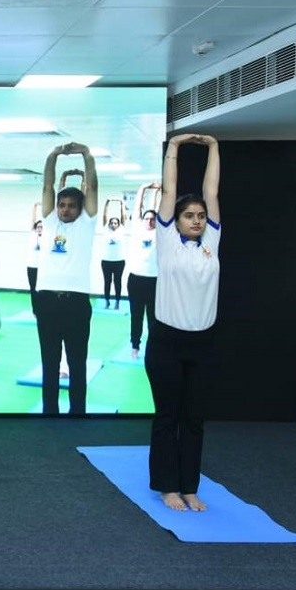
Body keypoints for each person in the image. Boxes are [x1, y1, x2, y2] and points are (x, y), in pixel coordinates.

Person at [146, 134, 221, 512]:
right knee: (168, 417)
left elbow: (212, 192)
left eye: (201, 216)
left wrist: (214, 148)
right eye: (189, 216)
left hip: (202, 344)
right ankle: (167, 486)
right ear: (174, 221)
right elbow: (169, 190)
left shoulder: (212, 242)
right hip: (167, 343)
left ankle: (190, 486)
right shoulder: (167, 242)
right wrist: (173, 148)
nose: (196, 220)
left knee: (194, 420)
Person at [35, 143, 98, 415]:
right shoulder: (50, 222)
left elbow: (92, 187)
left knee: (77, 363)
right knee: (49, 362)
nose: (65, 209)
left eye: (71, 205)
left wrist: (87, 154)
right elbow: (47, 186)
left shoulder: (86, 223)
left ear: (80, 208)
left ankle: (77, 414)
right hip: (47, 301)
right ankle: (50, 413)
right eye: (62, 205)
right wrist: (52, 155)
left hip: (76, 303)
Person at [126, 182, 161, 358]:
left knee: (153, 317)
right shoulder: (137, 228)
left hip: (154, 280)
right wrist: (143, 188)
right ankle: (135, 345)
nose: (149, 221)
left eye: (152, 219)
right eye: (147, 218)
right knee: (136, 315)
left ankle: (154, 346)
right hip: (136, 279)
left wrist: (160, 192)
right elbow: (138, 207)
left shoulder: (159, 232)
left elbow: (161, 210)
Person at [100, 198, 127, 309]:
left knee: (117, 282)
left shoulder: (122, 229)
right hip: (106, 261)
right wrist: (107, 203)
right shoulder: (106, 229)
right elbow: (104, 216)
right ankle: (107, 301)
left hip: (119, 261)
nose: (113, 224)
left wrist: (122, 203)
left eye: (116, 223)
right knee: (107, 282)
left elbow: (123, 216)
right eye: (112, 223)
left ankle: (117, 302)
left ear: (118, 224)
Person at [26, 204, 42, 315]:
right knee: (33, 289)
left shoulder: (47, 236)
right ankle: (35, 310)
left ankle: (43, 309)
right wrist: (35, 207)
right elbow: (33, 220)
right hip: (32, 266)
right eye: (38, 227)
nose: (40, 229)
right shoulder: (32, 234)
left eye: (41, 227)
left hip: (43, 267)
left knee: (42, 290)